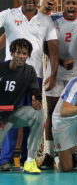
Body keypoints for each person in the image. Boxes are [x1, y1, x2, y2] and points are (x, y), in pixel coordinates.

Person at [0, 0, 59, 170]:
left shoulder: (46, 20)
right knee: (7, 115)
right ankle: (6, 160)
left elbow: (54, 49)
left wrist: (53, 74)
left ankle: (28, 159)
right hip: (11, 77)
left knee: (33, 116)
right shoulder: (8, 14)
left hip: (35, 77)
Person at [39, 0, 77, 170]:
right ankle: (49, 154)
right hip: (55, 72)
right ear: (63, 4)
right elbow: (45, 46)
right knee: (52, 114)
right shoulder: (52, 19)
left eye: (74, 3)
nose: (71, 6)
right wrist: (61, 63)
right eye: (67, 3)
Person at [0, 39, 44, 174]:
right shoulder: (1, 68)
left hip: (12, 115)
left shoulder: (29, 71)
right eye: (18, 53)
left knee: (39, 114)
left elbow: (35, 93)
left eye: (24, 54)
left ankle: (30, 161)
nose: (21, 56)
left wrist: (37, 101)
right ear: (12, 53)